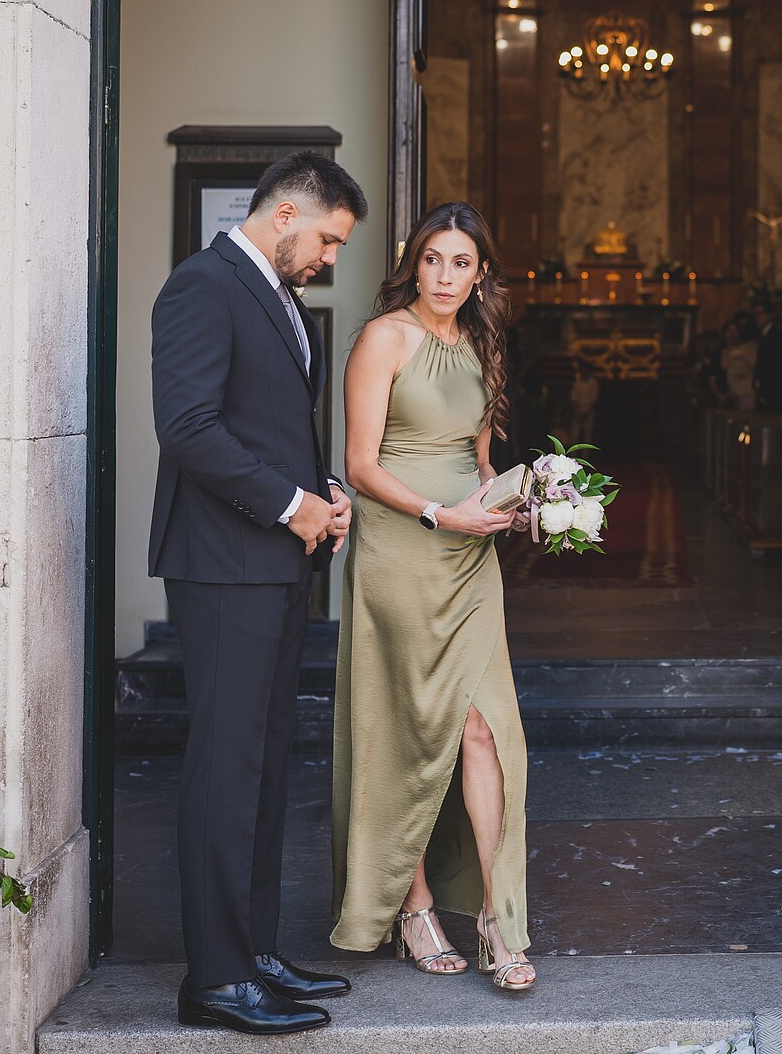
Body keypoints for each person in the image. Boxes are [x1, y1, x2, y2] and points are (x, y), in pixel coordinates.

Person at [149, 151, 366, 1035]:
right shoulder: (202, 285)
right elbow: (190, 427)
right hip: (225, 564)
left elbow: (273, 421)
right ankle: (215, 980)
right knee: (225, 768)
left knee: (266, 767)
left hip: (275, 562)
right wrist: (292, 504)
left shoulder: (278, 295)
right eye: (327, 239)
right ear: (284, 215)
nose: (330, 258)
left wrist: (324, 492)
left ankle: (256, 953)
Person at [329, 201, 538, 993]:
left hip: (470, 557)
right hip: (401, 550)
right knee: (411, 727)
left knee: (484, 731)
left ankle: (496, 917)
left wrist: (512, 501)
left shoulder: (484, 343)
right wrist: (437, 512)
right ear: (413, 264)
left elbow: (479, 455)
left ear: (481, 271)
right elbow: (360, 463)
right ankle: (412, 906)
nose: (445, 276)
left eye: (461, 263)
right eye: (432, 260)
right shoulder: (385, 337)